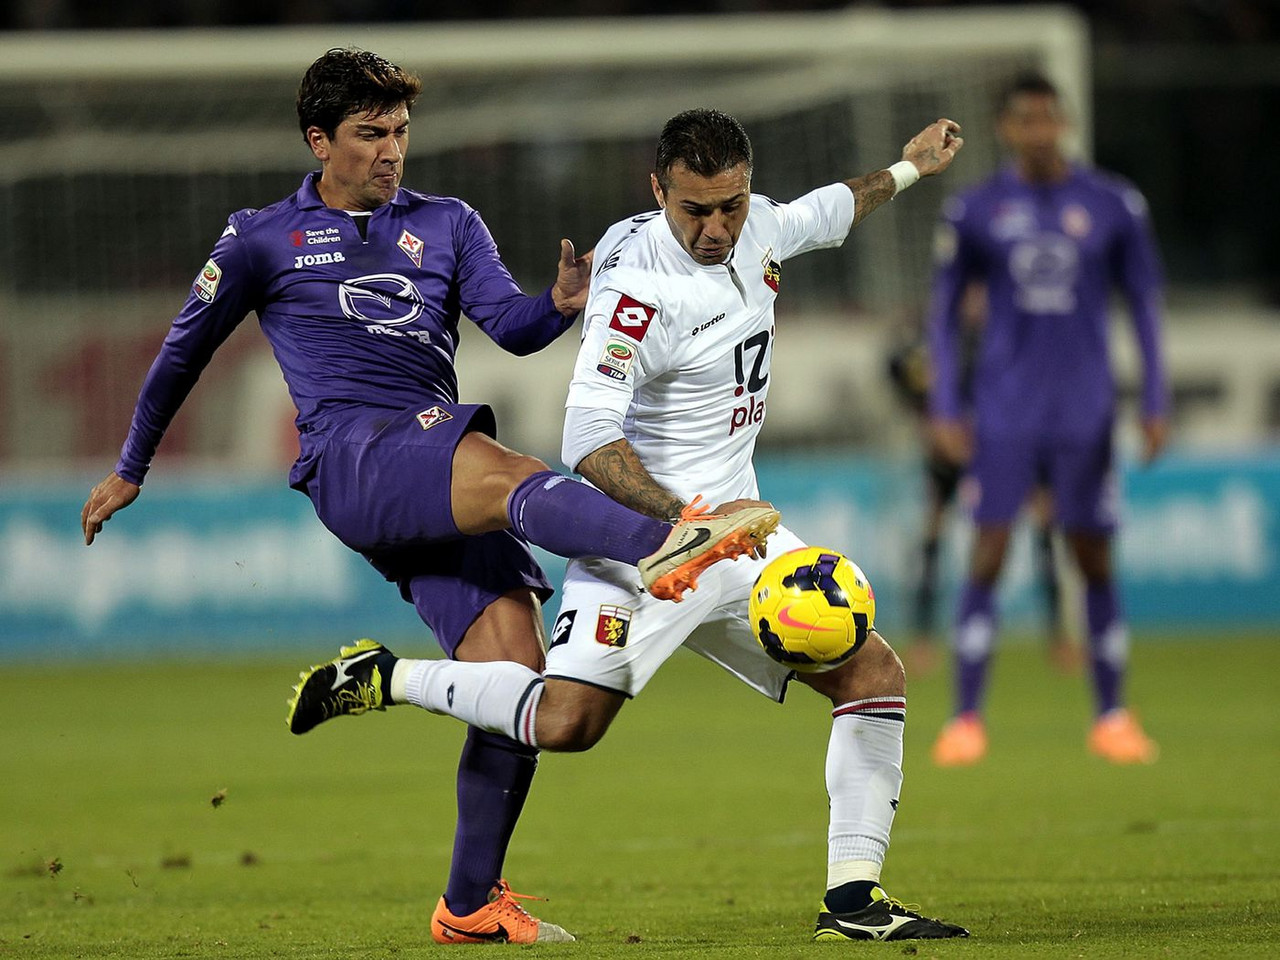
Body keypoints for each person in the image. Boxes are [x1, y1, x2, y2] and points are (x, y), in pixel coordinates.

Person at [80, 49, 780, 946]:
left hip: (432, 464)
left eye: (401, 132)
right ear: (319, 141)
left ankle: (469, 902)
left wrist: (559, 303)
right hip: (355, 456)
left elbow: (513, 328)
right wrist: (132, 466)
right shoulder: (261, 238)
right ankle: (671, 541)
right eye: (370, 134)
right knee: (517, 474)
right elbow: (184, 350)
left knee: (514, 684)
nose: (391, 151)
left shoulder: (448, 223)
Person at [291, 107, 970, 943]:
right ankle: (383, 678)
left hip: (741, 535)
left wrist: (906, 171)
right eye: (696, 212)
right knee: (568, 723)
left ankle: (854, 905)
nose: (718, 228)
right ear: (658, 191)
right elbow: (587, 442)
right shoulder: (634, 293)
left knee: (872, 673)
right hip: (644, 546)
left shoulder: (754, 224)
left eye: (732, 205)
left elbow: (825, 211)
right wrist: (680, 524)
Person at [926, 73, 1169, 767]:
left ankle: (1113, 715)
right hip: (1003, 409)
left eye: (1049, 118)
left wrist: (1155, 398)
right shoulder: (976, 209)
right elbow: (943, 314)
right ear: (1006, 128)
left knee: (1093, 554)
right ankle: (966, 718)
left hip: (1086, 409)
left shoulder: (1114, 203)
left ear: (1063, 122)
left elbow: (1145, 307)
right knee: (988, 550)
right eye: (1026, 120)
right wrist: (946, 402)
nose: (1039, 131)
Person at [887, 326, 1079, 678]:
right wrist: (934, 428)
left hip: (1002, 447)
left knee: (1043, 524)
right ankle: (922, 640)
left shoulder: (1004, 337)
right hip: (951, 453)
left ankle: (1059, 638)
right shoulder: (937, 342)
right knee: (932, 534)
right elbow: (903, 375)